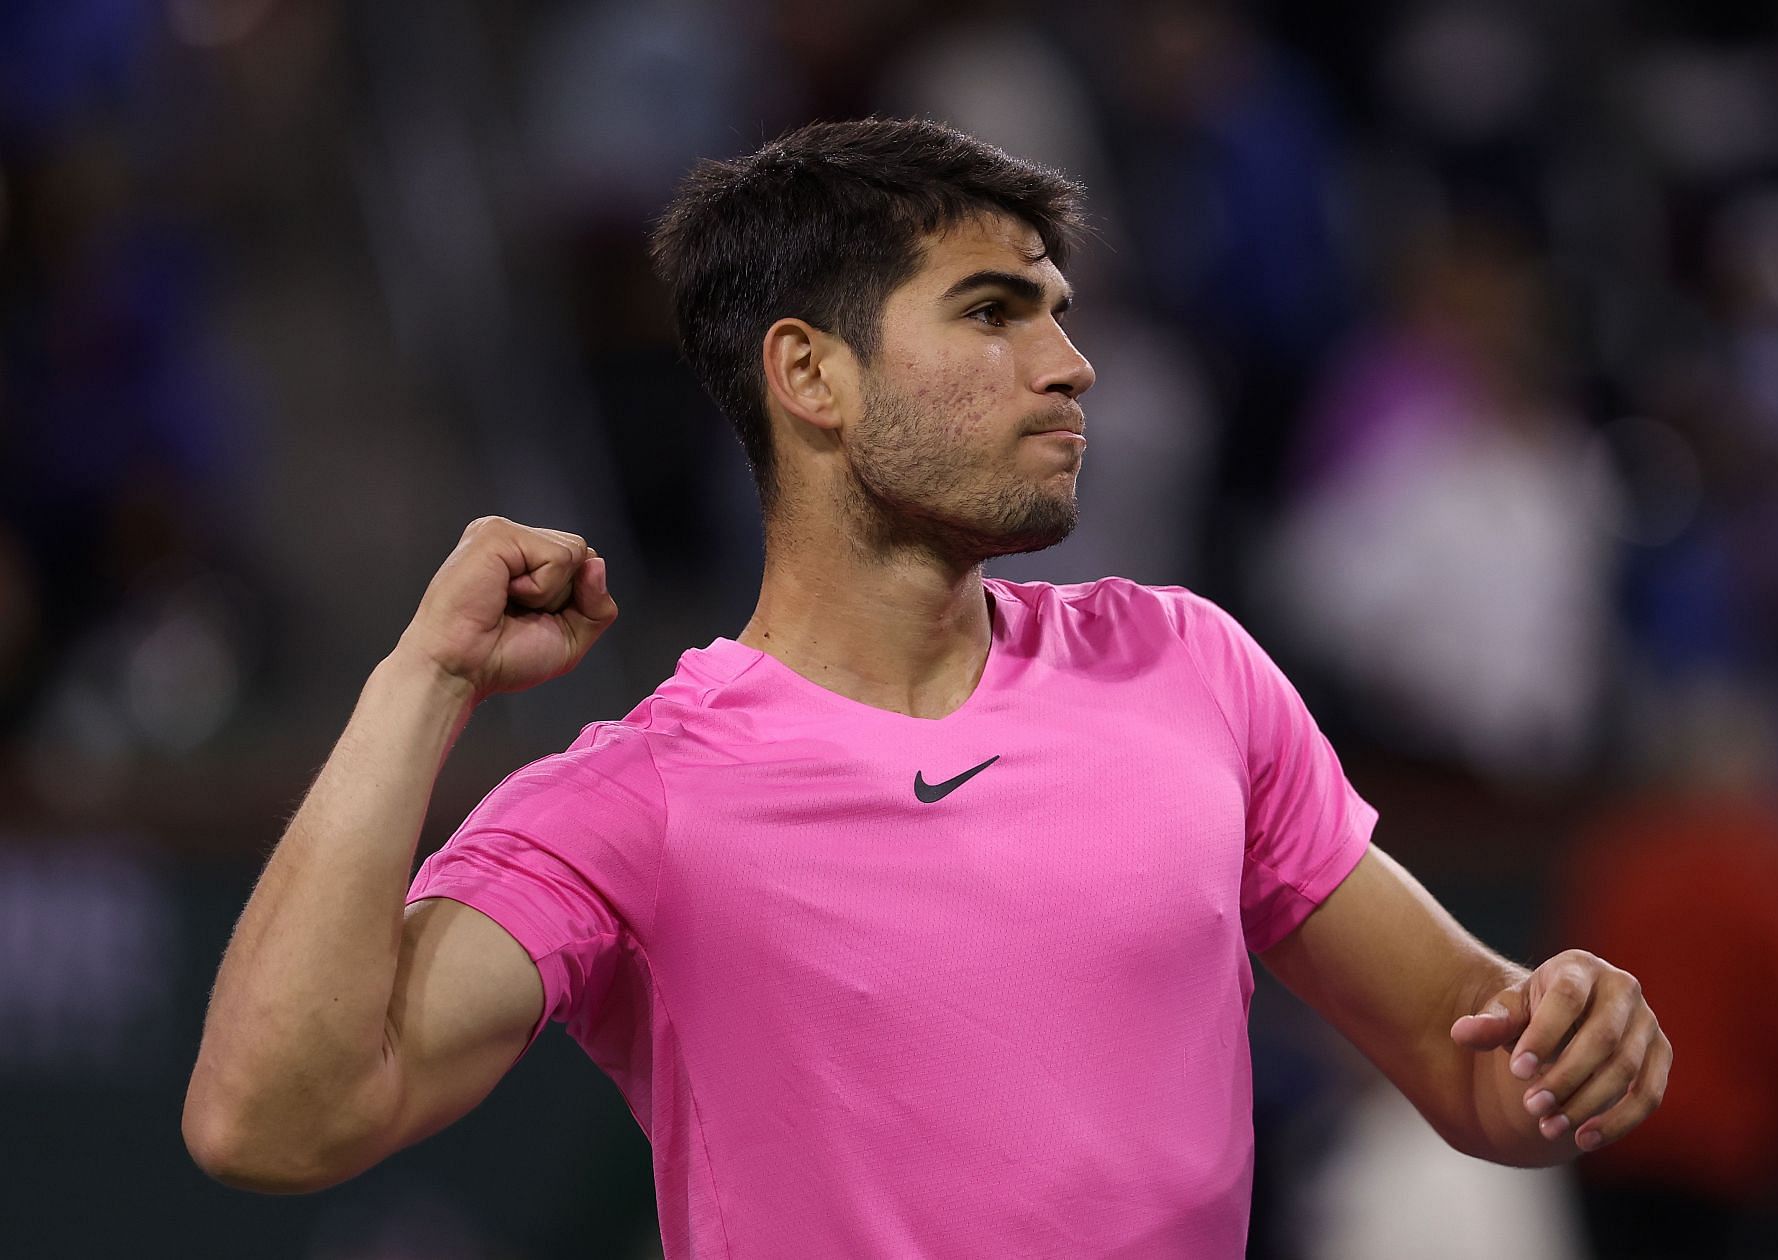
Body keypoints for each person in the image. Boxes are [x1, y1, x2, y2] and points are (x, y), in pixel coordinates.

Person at [182, 118, 1669, 1257]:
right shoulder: (640, 798)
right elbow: (273, 1119)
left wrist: (1574, 1031)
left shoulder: (1191, 666)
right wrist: (421, 678)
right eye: (994, 312)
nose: (1072, 364)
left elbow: (1480, 1071)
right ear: (810, 378)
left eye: (1060, 311)